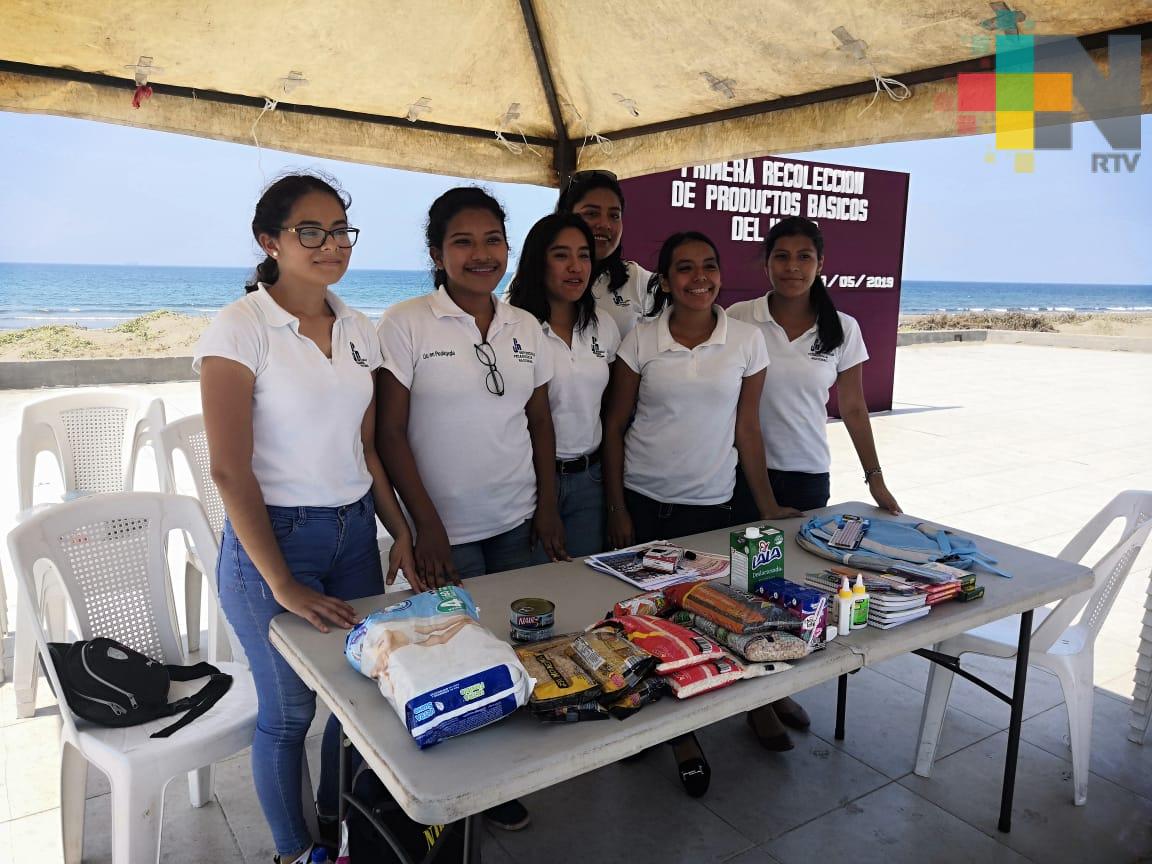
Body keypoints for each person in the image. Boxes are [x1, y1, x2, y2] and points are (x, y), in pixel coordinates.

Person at [196, 173, 416, 864]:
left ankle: (337, 818)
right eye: (310, 232)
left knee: (355, 702)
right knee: (289, 712)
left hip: (355, 532)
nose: (331, 245)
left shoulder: (358, 328)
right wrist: (285, 587)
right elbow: (230, 471)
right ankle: (295, 852)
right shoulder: (240, 327)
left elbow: (366, 445)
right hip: (276, 544)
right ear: (271, 241)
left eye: (340, 231)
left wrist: (399, 527)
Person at [375, 188, 561, 831]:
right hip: (442, 534)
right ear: (437, 253)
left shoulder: (525, 326)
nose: (481, 254)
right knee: (448, 657)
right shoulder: (405, 324)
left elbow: (539, 423)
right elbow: (389, 434)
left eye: (492, 240)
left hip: (514, 521)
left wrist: (548, 509)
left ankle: (496, 782)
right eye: (463, 241)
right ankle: (445, 797)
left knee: (505, 651)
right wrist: (425, 527)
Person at [601, 230, 800, 798]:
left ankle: (752, 707)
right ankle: (678, 734)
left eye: (708, 266)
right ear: (664, 281)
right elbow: (614, 427)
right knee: (647, 625)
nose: (699, 278)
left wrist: (767, 510)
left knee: (715, 622)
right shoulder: (640, 340)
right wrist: (617, 507)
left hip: (714, 506)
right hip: (643, 503)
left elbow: (747, 430)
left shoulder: (745, 342)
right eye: (684, 269)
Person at [728, 214, 903, 750]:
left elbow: (851, 405)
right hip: (742, 474)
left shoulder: (842, 328)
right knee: (743, 591)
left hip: (807, 479)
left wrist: (876, 480)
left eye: (804, 256)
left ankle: (776, 687)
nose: (792, 267)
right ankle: (753, 702)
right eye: (782, 256)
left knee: (786, 593)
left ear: (821, 264)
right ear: (766, 262)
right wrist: (761, 497)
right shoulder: (739, 318)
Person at [507, 213, 621, 557]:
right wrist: (546, 504)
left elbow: (611, 410)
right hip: (529, 482)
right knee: (535, 590)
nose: (575, 267)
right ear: (538, 261)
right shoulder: (513, 325)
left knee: (583, 584)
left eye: (583, 255)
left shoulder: (604, 325)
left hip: (591, 479)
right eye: (561, 255)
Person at [556, 169, 654, 337]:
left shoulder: (638, 280)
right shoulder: (535, 275)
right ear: (566, 216)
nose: (605, 224)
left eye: (614, 215)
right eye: (592, 213)